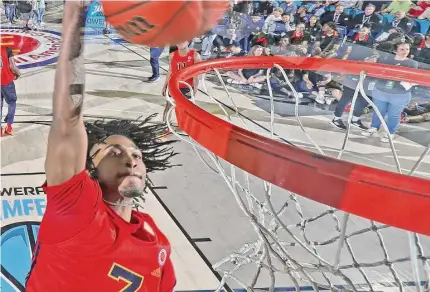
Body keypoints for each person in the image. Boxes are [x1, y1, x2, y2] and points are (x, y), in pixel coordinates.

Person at [25, 2, 177, 291]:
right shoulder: (77, 210)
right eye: (113, 152)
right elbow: (68, 121)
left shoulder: (155, 239)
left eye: (136, 155)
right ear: (89, 170)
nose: (130, 160)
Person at [361, 42, 419, 143]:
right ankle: (374, 127)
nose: (405, 52)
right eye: (402, 49)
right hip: (381, 91)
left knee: (394, 114)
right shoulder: (386, 59)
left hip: (400, 94)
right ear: (395, 50)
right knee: (378, 111)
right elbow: (374, 68)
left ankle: (390, 132)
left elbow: (414, 78)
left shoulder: (412, 64)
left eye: (407, 49)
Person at [162, 40, 201, 124]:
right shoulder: (172, 55)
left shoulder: (195, 55)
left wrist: (195, 89)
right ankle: (165, 126)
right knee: (168, 107)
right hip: (174, 86)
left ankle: (185, 127)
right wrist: (165, 86)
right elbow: (170, 71)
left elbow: (196, 75)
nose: (179, 42)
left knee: (186, 110)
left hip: (187, 87)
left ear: (188, 42)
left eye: (183, 41)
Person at [1, 46, 20, 137]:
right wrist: (17, 74)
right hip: (6, 81)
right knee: (12, 102)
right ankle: (9, 127)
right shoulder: (6, 50)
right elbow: (12, 66)